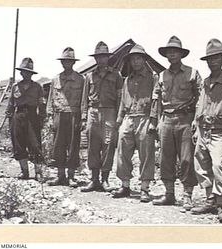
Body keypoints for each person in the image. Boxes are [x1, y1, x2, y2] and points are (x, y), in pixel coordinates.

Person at [190, 39, 222, 223]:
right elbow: (200, 104)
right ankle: (210, 200)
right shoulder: (205, 82)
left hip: (220, 131)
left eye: (216, 58)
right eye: (210, 59)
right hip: (203, 130)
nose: (213, 62)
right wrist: (196, 125)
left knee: (218, 166)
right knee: (202, 166)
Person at [149, 36, 201, 210]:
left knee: (186, 159)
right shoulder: (161, 75)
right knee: (166, 159)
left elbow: (201, 98)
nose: (172, 55)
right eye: (169, 52)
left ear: (181, 54)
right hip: (166, 120)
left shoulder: (192, 73)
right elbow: (155, 99)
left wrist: (196, 119)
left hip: (185, 120)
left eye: (175, 52)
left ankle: (187, 196)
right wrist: (155, 122)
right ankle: (169, 194)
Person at [112, 44, 157, 202]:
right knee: (123, 152)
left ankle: (144, 188)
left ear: (144, 60)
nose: (136, 62)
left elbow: (157, 101)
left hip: (144, 118)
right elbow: (123, 101)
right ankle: (125, 185)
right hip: (128, 118)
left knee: (146, 154)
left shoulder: (153, 77)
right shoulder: (127, 80)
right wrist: (119, 120)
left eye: (139, 58)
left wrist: (153, 121)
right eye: (133, 59)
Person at [80, 41, 123, 192]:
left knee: (108, 145)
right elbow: (84, 98)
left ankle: (105, 179)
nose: (101, 60)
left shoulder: (116, 75)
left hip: (110, 111)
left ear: (108, 58)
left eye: (104, 57)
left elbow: (120, 98)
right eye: (98, 57)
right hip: (93, 111)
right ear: (95, 59)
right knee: (93, 145)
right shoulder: (89, 76)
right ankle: (94, 179)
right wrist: (84, 116)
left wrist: (119, 117)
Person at [47, 47, 84, 187]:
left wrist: (83, 118)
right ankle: (60, 175)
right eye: (64, 61)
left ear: (73, 63)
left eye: (69, 61)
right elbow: (51, 99)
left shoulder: (81, 79)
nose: (66, 63)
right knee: (58, 146)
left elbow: (84, 101)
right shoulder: (55, 79)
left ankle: (71, 176)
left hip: (74, 115)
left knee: (73, 146)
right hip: (59, 115)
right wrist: (50, 117)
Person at [6, 57, 46, 181]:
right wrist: (10, 118)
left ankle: (38, 172)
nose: (26, 74)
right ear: (21, 73)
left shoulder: (37, 87)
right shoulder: (15, 86)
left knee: (35, 144)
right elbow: (11, 103)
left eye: (29, 72)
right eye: (24, 72)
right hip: (18, 116)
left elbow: (42, 104)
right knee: (18, 143)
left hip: (32, 116)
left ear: (31, 74)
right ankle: (24, 172)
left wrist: (41, 118)